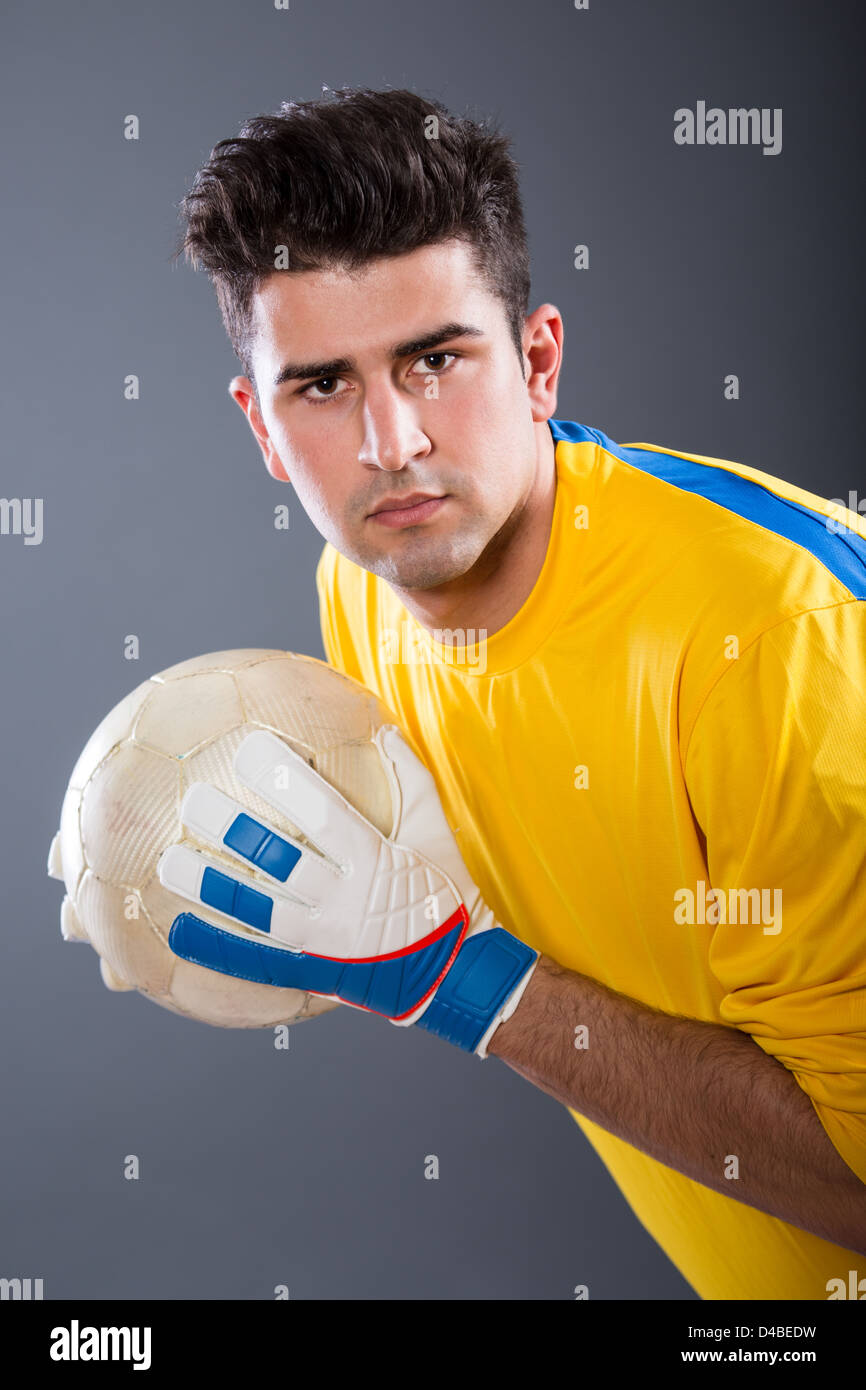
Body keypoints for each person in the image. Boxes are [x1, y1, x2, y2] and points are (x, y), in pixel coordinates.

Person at [173, 86, 866, 1300]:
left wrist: (462, 983)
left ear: (537, 360)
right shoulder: (359, 588)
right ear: (260, 428)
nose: (390, 441)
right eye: (322, 387)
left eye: (434, 360)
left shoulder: (770, 636)